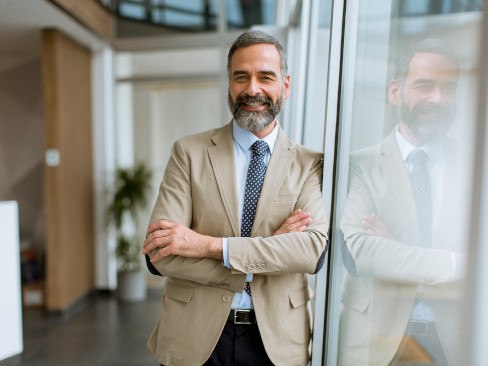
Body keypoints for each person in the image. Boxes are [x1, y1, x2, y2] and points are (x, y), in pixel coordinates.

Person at [143, 30, 329, 366]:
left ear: (285, 85)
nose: (252, 89)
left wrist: (207, 246)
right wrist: (269, 253)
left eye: (265, 77)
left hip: (277, 342)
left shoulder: (309, 163)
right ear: (229, 83)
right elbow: (160, 253)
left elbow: (311, 251)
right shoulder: (189, 152)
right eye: (241, 76)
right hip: (193, 338)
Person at [339, 39, 468, 365]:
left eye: (448, 88)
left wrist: (398, 249)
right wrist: (456, 262)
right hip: (376, 341)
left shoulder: (475, 170)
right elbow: (360, 254)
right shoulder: (359, 165)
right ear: (395, 91)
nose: (438, 98)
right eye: (425, 85)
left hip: (454, 343)